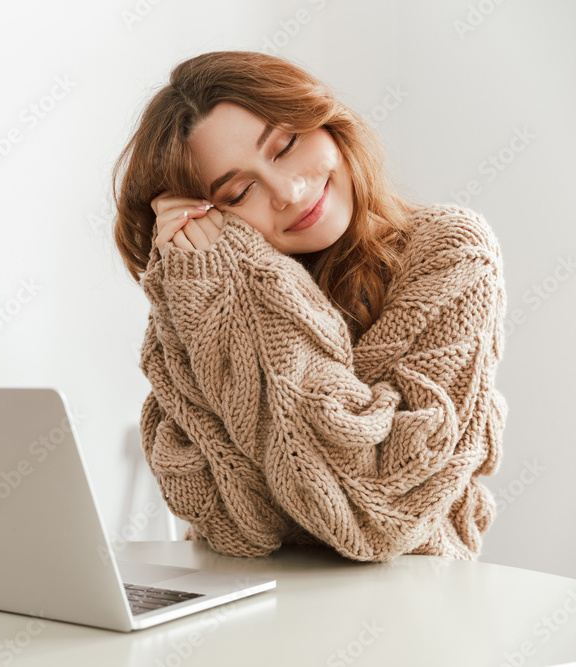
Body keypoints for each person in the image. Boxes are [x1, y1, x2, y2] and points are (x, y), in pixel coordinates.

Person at [110, 50, 508, 563]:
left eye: (286, 146)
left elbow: (379, 512)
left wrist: (260, 290)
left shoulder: (452, 253)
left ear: (323, 120)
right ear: (206, 218)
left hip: (408, 605)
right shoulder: (207, 285)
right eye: (238, 191)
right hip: (250, 605)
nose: (289, 191)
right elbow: (234, 526)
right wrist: (208, 281)